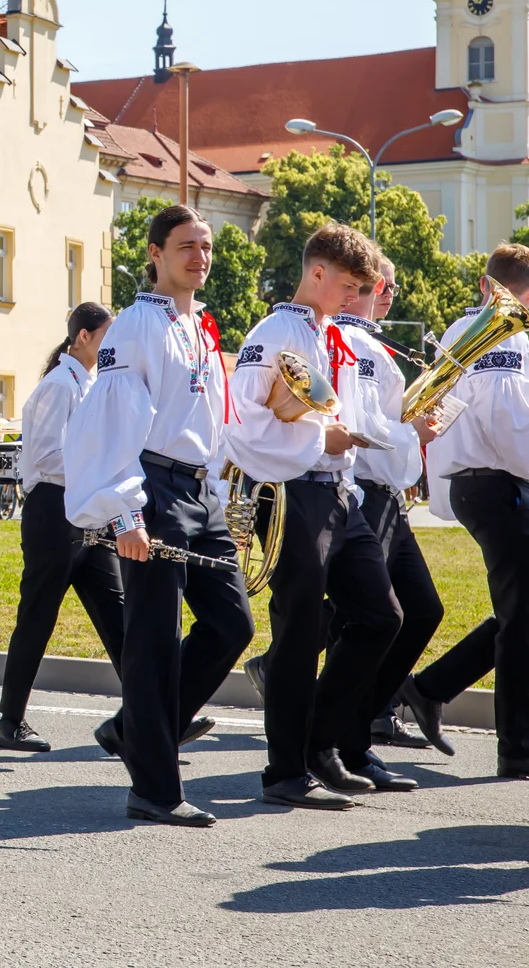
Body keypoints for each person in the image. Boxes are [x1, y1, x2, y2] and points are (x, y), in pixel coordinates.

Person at [65, 204, 254, 826]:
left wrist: (228, 490)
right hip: (153, 487)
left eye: (205, 246)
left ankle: (135, 730)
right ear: (154, 253)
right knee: (154, 641)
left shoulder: (198, 325)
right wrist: (125, 514)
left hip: (198, 493)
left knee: (232, 625)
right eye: (185, 247)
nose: (199, 257)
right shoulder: (136, 326)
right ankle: (153, 789)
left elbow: (208, 421)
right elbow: (113, 420)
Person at [225, 221, 401, 810]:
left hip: (338, 490)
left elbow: (344, 415)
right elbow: (242, 421)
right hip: (294, 490)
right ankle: (284, 771)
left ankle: (319, 745)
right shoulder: (275, 331)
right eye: (349, 286)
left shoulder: (329, 333)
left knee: (380, 616)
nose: (357, 300)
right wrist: (315, 444)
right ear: (317, 273)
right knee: (299, 631)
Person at [400, 243, 529, 780]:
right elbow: (506, 417)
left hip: (479, 481)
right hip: (500, 481)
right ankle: (517, 747)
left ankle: (429, 689)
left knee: (520, 609)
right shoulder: (511, 333)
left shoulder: (460, 329)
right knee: (522, 618)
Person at [320, 252, 438, 789]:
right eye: (380, 284)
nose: (387, 293)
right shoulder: (352, 343)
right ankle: (343, 735)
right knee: (375, 616)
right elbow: (366, 424)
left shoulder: (370, 343)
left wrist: (410, 430)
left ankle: (355, 727)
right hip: (368, 488)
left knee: (416, 611)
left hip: (384, 488)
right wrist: (414, 434)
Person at [0, 301, 125, 752]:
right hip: (54, 510)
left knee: (121, 619)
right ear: (83, 337)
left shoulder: (90, 383)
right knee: (37, 618)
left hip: (90, 510)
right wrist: (100, 466)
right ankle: (9, 720)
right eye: (107, 335)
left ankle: (154, 717)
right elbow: (46, 458)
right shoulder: (58, 386)